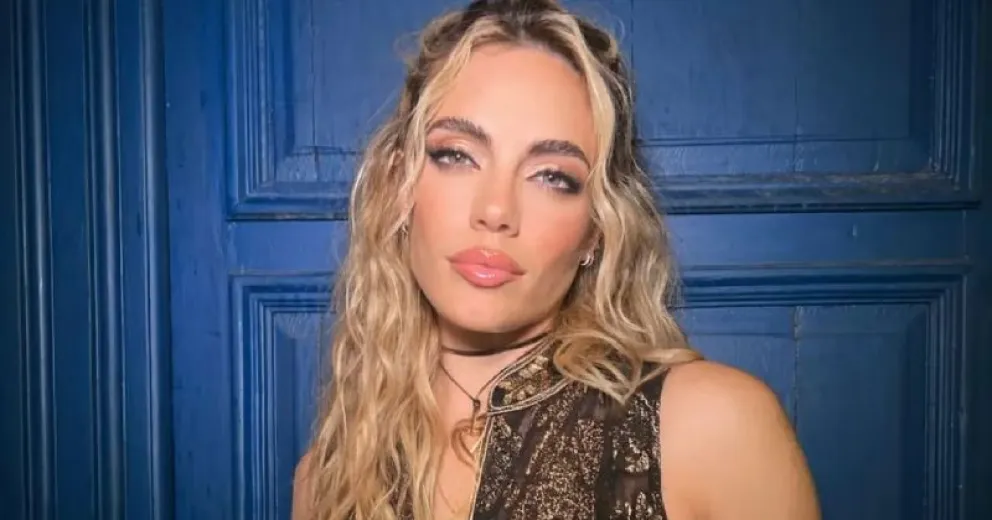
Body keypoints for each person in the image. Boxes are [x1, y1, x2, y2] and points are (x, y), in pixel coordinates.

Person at [292, 0, 820, 518]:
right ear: (396, 183)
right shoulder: (329, 476)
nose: (496, 210)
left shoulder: (712, 428)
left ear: (597, 229)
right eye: (457, 155)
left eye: (552, 177)